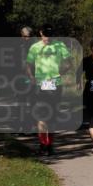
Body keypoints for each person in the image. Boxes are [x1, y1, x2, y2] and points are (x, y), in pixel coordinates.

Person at [26, 25, 72, 156]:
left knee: (52, 116)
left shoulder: (60, 45)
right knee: (41, 116)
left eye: (49, 34)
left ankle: (50, 145)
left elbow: (69, 63)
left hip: (55, 84)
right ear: (40, 33)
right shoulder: (35, 47)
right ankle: (43, 145)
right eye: (45, 34)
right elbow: (28, 65)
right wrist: (31, 77)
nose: (47, 37)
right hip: (40, 84)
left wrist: (61, 72)